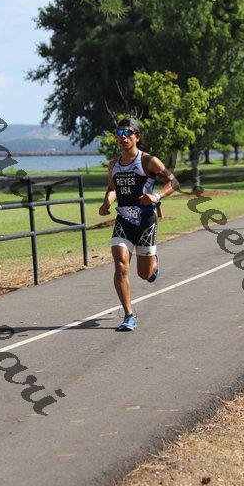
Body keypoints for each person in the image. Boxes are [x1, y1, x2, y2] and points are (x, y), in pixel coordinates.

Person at [98, 117, 179, 331]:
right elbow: (112, 188)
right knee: (120, 265)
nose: (123, 137)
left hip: (145, 221)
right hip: (124, 220)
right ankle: (129, 315)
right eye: (119, 133)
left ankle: (153, 263)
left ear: (137, 136)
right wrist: (107, 202)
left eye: (127, 133)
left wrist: (156, 196)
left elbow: (174, 182)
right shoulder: (114, 165)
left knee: (145, 274)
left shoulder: (148, 161)